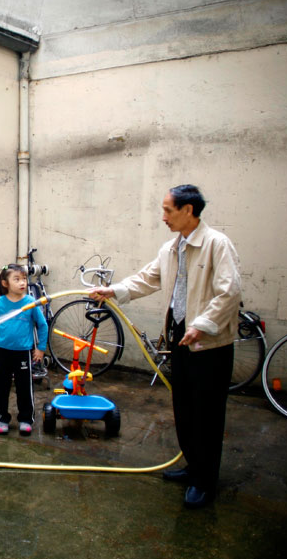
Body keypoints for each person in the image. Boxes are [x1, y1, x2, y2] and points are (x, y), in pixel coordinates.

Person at [90, 185, 241, 509]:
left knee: (207, 414)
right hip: (180, 340)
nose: (163, 217)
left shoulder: (217, 245)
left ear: (188, 210)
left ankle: (205, 481)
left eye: (168, 210)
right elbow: (147, 278)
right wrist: (112, 291)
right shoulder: (171, 249)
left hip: (209, 345)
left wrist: (203, 325)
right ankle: (192, 466)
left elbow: (229, 292)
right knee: (184, 408)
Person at [0, 264, 48, 436]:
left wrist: (41, 348)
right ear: (5, 283)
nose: (23, 283)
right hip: (2, 353)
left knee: (24, 387)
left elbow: (42, 326)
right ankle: (2, 418)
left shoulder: (30, 303)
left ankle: (26, 419)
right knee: (1, 386)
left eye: (24, 279)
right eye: (17, 279)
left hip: (23, 353)